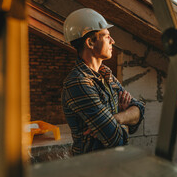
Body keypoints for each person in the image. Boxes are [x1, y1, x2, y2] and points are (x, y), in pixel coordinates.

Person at [61, 8, 144, 155]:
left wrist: (116, 118)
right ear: (90, 42)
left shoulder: (106, 74)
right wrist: (126, 117)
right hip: (92, 168)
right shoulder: (79, 83)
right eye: (107, 36)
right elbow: (117, 139)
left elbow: (139, 111)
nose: (113, 41)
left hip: (110, 165)